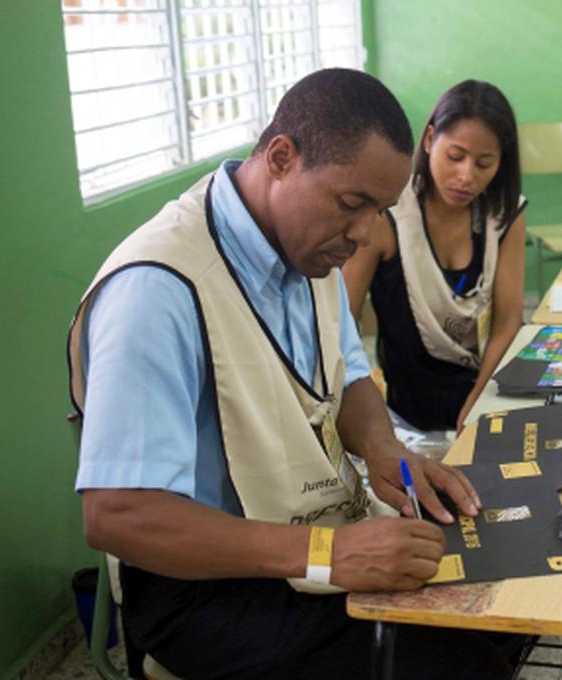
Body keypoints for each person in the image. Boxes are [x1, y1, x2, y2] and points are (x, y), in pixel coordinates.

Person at [69, 69, 520, 679]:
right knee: (457, 662)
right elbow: (118, 514)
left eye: (379, 211)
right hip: (203, 589)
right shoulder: (156, 290)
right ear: (281, 158)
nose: (364, 234)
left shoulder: (309, 249)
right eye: (352, 204)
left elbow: (349, 375)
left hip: (311, 528)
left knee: (508, 600)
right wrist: (329, 554)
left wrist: (390, 456)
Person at [343, 80, 526, 432]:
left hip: (485, 391)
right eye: (455, 156)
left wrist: (480, 398)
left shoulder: (503, 214)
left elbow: (507, 321)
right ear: (429, 141)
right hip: (408, 409)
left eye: (484, 163)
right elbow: (342, 322)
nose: (466, 176)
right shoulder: (389, 214)